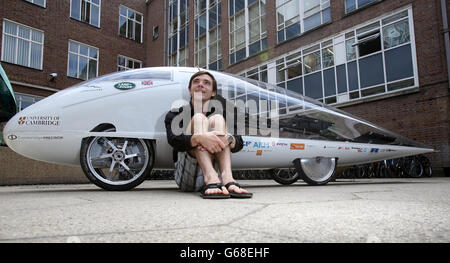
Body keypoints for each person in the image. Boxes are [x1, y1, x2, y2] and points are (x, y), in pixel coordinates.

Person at [164, 71, 252, 199]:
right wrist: (199, 138)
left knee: (217, 119)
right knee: (199, 118)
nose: (200, 84)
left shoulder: (223, 114)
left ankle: (228, 178)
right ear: (190, 89)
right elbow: (174, 140)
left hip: (219, 181)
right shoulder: (176, 114)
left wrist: (228, 138)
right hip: (187, 177)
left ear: (213, 92)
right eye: (196, 81)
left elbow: (239, 143)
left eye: (206, 83)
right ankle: (209, 177)